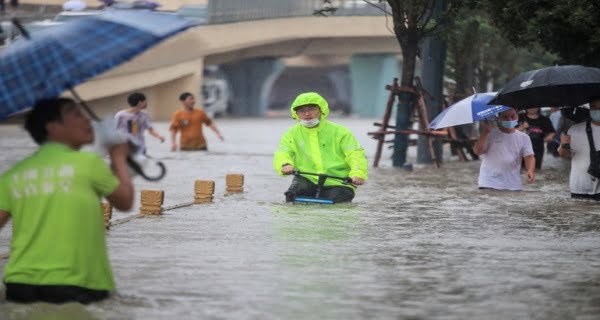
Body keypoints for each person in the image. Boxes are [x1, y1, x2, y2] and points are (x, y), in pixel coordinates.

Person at [0, 98, 134, 304]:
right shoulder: (88, 163)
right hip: (78, 281)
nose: (87, 120)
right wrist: (118, 158)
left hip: (20, 284)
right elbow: (125, 201)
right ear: (52, 127)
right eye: (76, 114)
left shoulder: (13, 175)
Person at [273, 92, 368, 203]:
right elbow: (283, 152)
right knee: (292, 196)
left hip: (338, 181)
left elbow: (355, 153)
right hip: (306, 179)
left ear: (321, 110)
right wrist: (285, 164)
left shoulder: (340, 132)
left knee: (336, 203)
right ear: (296, 113)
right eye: (302, 111)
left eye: (311, 109)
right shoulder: (291, 134)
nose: (307, 114)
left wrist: (358, 173)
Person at [473, 108, 536, 191]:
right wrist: (485, 132)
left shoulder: (524, 137)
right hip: (488, 183)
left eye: (512, 116)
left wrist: (530, 171)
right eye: (505, 117)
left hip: (513, 184)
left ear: (517, 117)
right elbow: (478, 151)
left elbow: (529, 157)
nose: (509, 119)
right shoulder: (489, 133)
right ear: (498, 118)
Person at [558, 97, 600, 200]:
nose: (597, 111)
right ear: (589, 109)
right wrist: (564, 144)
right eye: (594, 107)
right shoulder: (575, 130)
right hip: (579, 186)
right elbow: (563, 155)